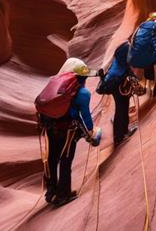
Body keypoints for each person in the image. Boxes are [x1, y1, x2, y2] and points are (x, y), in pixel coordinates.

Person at [35, 57, 102, 205]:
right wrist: (90, 132)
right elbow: (86, 117)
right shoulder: (83, 93)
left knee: (52, 159)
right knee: (65, 161)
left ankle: (51, 192)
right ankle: (63, 195)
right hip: (68, 132)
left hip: (50, 129)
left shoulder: (54, 84)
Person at [96, 41, 138, 145]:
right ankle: (121, 135)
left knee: (120, 109)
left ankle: (119, 134)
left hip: (113, 83)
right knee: (122, 108)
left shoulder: (117, 60)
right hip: (117, 83)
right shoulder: (121, 67)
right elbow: (128, 65)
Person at [128, 17, 156, 96]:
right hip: (145, 58)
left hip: (132, 56)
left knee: (148, 63)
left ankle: (144, 80)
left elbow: (132, 38)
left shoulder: (144, 26)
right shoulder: (155, 32)